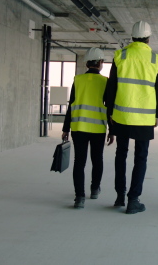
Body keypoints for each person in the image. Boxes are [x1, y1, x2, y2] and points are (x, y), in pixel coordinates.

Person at [103, 20, 158, 214]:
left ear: (132, 37)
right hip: (144, 118)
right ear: (148, 37)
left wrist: (110, 112)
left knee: (121, 154)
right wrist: (156, 114)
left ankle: (120, 195)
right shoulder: (156, 59)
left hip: (121, 115)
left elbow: (111, 86)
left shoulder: (121, 55)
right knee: (141, 157)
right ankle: (133, 199)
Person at [62, 48, 114, 209]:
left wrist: (65, 128)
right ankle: (94, 189)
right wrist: (112, 131)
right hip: (98, 128)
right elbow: (110, 108)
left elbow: (71, 105)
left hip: (78, 128)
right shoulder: (105, 82)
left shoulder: (77, 80)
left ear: (86, 63)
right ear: (100, 63)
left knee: (79, 162)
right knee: (97, 160)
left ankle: (79, 197)